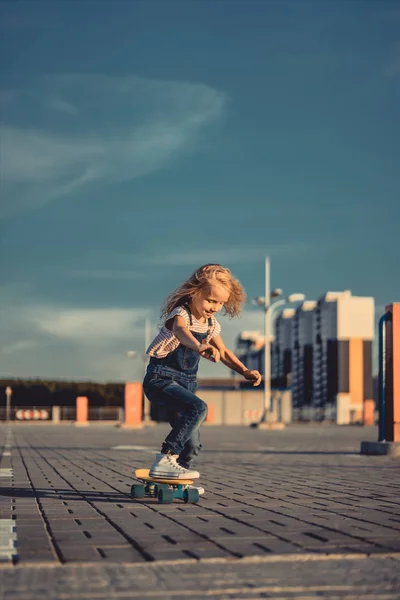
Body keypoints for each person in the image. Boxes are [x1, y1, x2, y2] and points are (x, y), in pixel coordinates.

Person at [143, 264, 262, 481]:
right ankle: (165, 458)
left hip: (185, 384)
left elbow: (224, 352)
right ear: (194, 292)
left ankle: (177, 473)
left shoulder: (210, 325)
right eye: (210, 300)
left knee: (193, 445)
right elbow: (180, 332)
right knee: (199, 407)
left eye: (220, 303)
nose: (215, 307)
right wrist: (198, 347)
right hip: (161, 379)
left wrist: (244, 371)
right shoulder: (180, 315)